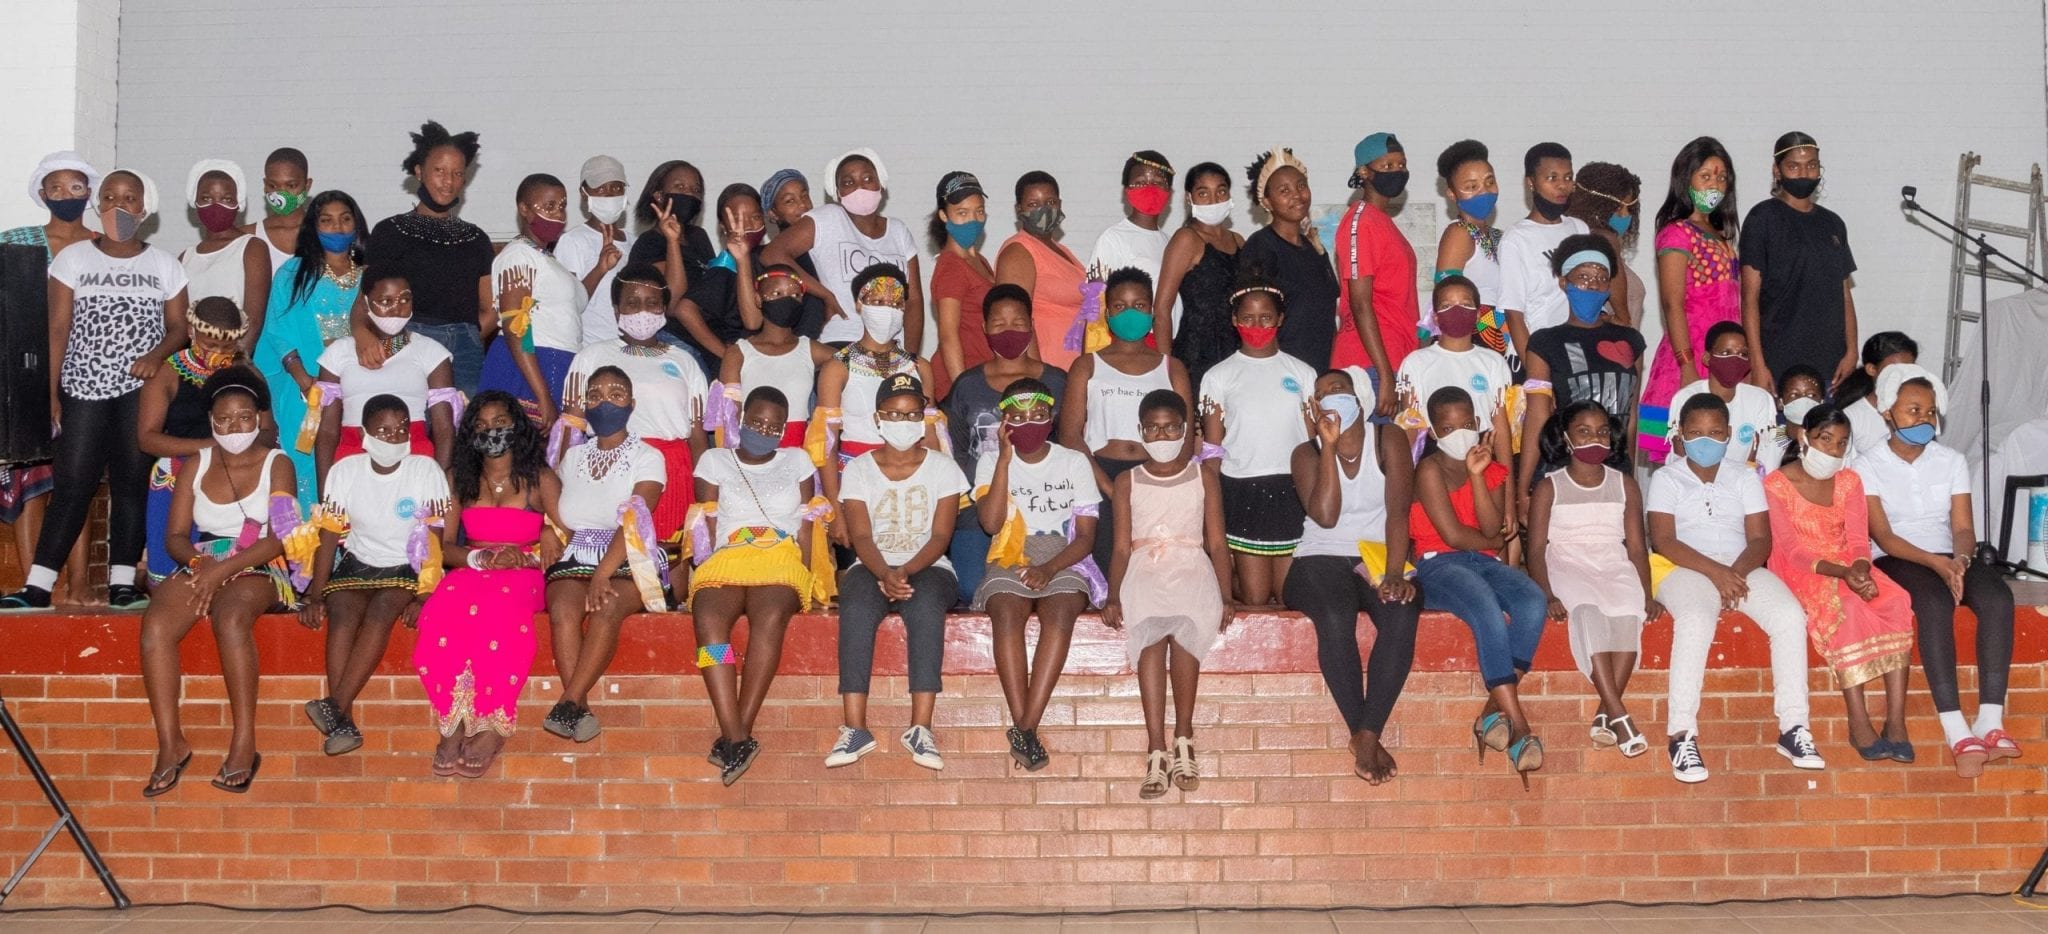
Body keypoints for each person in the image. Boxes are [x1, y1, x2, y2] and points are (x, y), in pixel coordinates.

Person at [1, 169, 189, 612]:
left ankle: (123, 583)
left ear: (145, 209)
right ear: (98, 205)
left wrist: (155, 356)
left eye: (129, 198)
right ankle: (39, 585)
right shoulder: (74, 259)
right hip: (81, 387)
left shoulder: (164, 264)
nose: (118, 206)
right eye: (109, 197)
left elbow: (180, 327)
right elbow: (57, 327)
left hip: (138, 390)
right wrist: (50, 394)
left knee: (130, 483)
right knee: (73, 484)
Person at [139, 368, 297, 796]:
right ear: (210, 420)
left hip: (262, 561)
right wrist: (199, 564)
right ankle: (171, 744)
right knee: (155, 629)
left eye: (244, 417)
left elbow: (282, 534)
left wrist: (222, 571)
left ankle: (244, 742)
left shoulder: (277, 463)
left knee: (231, 617)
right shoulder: (196, 464)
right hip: (202, 560)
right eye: (224, 420)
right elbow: (174, 536)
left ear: (259, 417)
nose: (235, 427)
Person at [1650, 393, 1821, 784]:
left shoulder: (1745, 476)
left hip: (1741, 567)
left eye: (1714, 432)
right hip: (1686, 567)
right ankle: (1681, 734)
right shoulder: (1667, 477)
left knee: (1789, 617)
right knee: (1694, 619)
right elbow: (1664, 541)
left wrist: (1736, 574)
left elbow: (1760, 540)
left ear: (1729, 435)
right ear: (1680, 434)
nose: (1704, 440)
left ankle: (1794, 728)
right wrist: (1717, 574)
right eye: (1695, 433)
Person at [1861, 367, 2019, 775]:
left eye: (1930, 413)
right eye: (1913, 410)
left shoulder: (1950, 460)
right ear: (1886, 412)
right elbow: (1884, 535)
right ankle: (1955, 728)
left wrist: (1961, 562)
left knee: (1999, 598)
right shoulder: (1866, 465)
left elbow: (1964, 529)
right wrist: (1938, 564)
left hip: (1950, 554)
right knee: (1932, 604)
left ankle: (1990, 720)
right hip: (1897, 557)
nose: (1923, 420)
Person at [1283, 368, 1422, 785]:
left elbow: (1399, 513)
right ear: (1314, 408)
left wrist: (1395, 573)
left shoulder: (1389, 439)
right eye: (1322, 394)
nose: (1332, 397)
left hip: (1379, 556)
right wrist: (1327, 447)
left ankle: (1367, 733)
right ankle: (1361, 734)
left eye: (1339, 389)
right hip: (1318, 557)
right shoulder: (1305, 453)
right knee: (1337, 615)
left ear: (1359, 397)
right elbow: (1324, 516)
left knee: (1402, 611)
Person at [413, 391, 559, 779]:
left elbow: (568, 538)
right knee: (440, 611)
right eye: (481, 426)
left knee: (499, 609)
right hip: (473, 568)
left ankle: (493, 723)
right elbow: (441, 545)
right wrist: (479, 559)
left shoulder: (540, 479)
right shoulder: (457, 479)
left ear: (518, 427)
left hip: (525, 575)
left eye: (500, 424)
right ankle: (454, 721)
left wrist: (541, 535)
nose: (491, 432)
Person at [1409, 386, 1548, 784]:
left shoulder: (1488, 468)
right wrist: (1492, 542)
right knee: (1486, 607)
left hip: (1482, 561)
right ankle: (1520, 725)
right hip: (1438, 565)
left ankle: (1491, 712)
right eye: (1448, 427)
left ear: (1476, 422)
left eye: (1466, 423)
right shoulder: (1429, 469)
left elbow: (1491, 529)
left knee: (1531, 601)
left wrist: (1476, 475)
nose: (1460, 432)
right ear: (1434, 431)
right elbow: (1453, 537)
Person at [829, 373, 968, 772]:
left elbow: (941, 535)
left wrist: (904, 570)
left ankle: (921, 727)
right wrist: (885, 572)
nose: (903, 422)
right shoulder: (857, 469)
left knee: (925, 607)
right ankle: (855, 727)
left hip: (928, 565)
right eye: (893, 414)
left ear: (923, 417)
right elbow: (860, 534)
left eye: (911, 414)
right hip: (871, 563)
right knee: (854, 606)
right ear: (878, 419)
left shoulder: (943, 468)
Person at [690, 387, 828, 785]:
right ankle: (736, 734)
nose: (763, 430)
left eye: (773, 425)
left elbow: (807, 523)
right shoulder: (714, 460)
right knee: (708, 623)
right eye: (755, 422)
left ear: (784, 429)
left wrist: (810, 573)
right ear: (740, 419)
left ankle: (737, 732)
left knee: (769, 618)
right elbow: (708, 523)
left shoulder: (798, 460)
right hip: (729, 554)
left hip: (780, 554)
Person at [299, 394, 449, 757]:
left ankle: (334, 708)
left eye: (400, 429)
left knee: (382, 612)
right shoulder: (345, 471)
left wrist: (425, 594)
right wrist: (315, 594)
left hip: (406, 565)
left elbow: (433, 537)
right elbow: (329, 537)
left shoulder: (425, 470)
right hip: (357, 563)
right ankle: (343, 721)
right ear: (364, 432)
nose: (393, 437)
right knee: (343, 615)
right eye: (383, 430)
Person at [1765, 403, 1915, 762]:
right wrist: (1846, 575)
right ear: (1804, 436)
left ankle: (1896, 722)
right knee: (1846, 605)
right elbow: (1791, 550)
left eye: (1841, 443)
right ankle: (1858, 720)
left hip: (1849, 564)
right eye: (1825, 439)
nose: (1832, 450)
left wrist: (1861, 569)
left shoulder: (1850, 481)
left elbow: (1859, 538)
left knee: (1895, 598)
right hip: (1804, 569)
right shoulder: (1777, 483)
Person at [1104, 389, 1230, 798]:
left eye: (1171, 427)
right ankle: (1155, 747)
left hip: (1191, 569)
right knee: (1151, 644)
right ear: (1141, 432)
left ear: (1187, 430)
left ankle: (1185, 737)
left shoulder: (1202, 476)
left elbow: (1217, 543)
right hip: (1144, 572)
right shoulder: (1128, 480)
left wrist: (1227, 596)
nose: (1163, 435)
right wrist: (1112, 594)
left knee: (1186, 636)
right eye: (1154, 429)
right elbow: (1122, 545)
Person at [971, 377, 1100, 771]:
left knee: (1059, 616)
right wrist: (1005, 463)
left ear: (1053, 417)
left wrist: (1047, 569)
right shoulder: (991, 461)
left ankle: (1025, 727)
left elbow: (1086, 537)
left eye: (1039, 415)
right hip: (1010, 553)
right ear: (1004, 423)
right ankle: (1024, 728)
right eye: (1018, 417)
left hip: (1063, 555)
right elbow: (991, 524)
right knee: (1006, 615)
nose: (1029, 424)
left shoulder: (1073, 461)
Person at [542, 366, 668, 744]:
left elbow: (633, 519)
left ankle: (567, 702)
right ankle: (576, 708)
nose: (604, 401)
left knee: (607, 605)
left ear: (631, 404)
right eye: (595, 394)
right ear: (584, 404)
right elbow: (555, 507)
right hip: (577, 551)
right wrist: (546, 528)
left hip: (628, 554)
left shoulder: (649, 456)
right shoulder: (572, 458)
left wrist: (602, 574)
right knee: (563, 609)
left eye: (616, 393)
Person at [1524, 401, 1656, 757]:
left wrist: (1647, 594)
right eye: (1584, 431)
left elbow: (1637, 547)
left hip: (1612, 560)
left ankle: (1604, 713)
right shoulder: (1549, 487)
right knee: (1587, 611)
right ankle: (1620, 715)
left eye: (1601, 431)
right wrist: (1547, 594)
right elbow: (1535, 549)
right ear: (1566, 437)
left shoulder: (1624, 483)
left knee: (1629, 610)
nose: (1594, 438)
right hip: (1567, 561)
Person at [0, 151, 100, 607]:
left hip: (87, 377)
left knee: (73, 483)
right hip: (26, 378)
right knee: (30, 482)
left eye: (75, 188)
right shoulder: (16, 241)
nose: (65, 196)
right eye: (55, 189)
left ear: (89, 193)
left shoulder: (104, 245)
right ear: (42, 194)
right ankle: (33, 584)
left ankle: (78, 585)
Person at [564, 263, 709, 545]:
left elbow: (699, 437)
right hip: (608, 470)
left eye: (652, 303)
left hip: (672, 469)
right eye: (632, 303)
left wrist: (705, 500)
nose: (642, 311)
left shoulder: (685, 361)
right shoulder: (591, 356)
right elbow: (571, 427)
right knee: (612, 559)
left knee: (665, 566)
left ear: (664, 308)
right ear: (617, 309)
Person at [1060, 268, 1193, 576]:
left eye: (1139, 305)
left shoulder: (1172, 368)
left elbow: (1185, 437)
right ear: (1107, 315)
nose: (1130, 313)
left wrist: (1163, 483)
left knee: (1157, 572)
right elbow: (1069, 435)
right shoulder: (1086, 365)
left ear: (1152, 312)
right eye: (1120, 306)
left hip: (1158, 478)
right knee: (1111, 573)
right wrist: (1110, 488)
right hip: (1101, 478)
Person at [941, 284, 1068, 599]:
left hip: (1042, 507)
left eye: (1019, 323)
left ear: (1032, 325)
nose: (1009, 330)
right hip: (977, 513)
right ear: (984, 328)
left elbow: (1069, 447)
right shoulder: (967, 386)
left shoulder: (1056, 382)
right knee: (970, 589)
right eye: (998, 324)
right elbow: (954, 454)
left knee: (1046, 588)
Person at [1198, 275, 1316, 605]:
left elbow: (1313, 440)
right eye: (1247, 318)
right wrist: (1211, 508)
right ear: (1235, 321)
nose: (1257, 324)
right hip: (1241, 490)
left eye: (1265, 317)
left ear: (1280, 319)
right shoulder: (1218, 377)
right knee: (1255, 597)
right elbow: (1212, 449)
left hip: (1294, 490)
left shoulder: (1303, 374)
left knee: (1291, 596)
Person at [255, 190, 368, 511]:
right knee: (304, 467)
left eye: (345, 219)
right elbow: (277, 330)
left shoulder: (370, 277)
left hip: (359, 394)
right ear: (313, 227)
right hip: (306, 393)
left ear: (356, 225)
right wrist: (305, 380)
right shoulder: (293, 273)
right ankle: (307, 555)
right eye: (327, 220)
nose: (337, 228)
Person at [360, 121, 492, 395]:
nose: (448, 181)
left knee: (462, 428)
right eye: (439, 171)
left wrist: (464, 340)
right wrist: (367, 339)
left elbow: (489, 310)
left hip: (465, 352)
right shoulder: (389, 231)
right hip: (407, 341)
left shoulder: (477, 238)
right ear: (419, 171)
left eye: (457, 173)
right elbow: (364, 300)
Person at [1517, 236, 1645, 505]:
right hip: (1562, 473)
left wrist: (1629, 475)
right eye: (1583, 276)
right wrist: (1524, 486)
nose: (1592, 284)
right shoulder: (1545, 342)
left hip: (1614, 471)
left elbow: (1631, 415)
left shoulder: (1630, 340)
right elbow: (1537, 415)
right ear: (1564, 282)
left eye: (1601, 278)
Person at [814, 263, 937, 537]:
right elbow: (826, 443)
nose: (887, 309)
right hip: (855, 480)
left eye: (895, 303)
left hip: (910, 480)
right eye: (878, 301)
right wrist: (834, 509)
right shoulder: (838, 367)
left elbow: (930, 437)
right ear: (859, 304)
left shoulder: (919, 368)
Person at [1639, 137, 1741, 463]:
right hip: (1692, 355)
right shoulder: (1677, 233)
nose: (1715, 184)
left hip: (1725, 356)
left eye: (1722, 177)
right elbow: (1672, 303)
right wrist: (1687, 366)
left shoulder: (1722, 235)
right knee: (1682, 458)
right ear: (1687, 179)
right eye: (1706, 176)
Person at [760, 150, 923, 350]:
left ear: (880, 183)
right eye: (848, 182)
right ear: (837, 193)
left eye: (867, 178)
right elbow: (772, 254)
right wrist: (825, 294)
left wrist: (910, 358)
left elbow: (913, 300)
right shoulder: (827, 218)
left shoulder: (898, 230)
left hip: (893, 347)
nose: (860, 186)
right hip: (843, 340)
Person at [139, 298, 249, 585]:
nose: (217, 354)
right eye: (209, 345)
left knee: (224, 568)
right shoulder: (167, 373)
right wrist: (208, 447)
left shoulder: (244, 373)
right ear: (191, 331)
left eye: (226, 347)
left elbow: (266, 429)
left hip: (231, 477)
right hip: (176, 475)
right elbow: (147, 439)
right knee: (167, 574)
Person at [1741, 132, 1859, 390]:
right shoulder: (1762, 219)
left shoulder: (1834, 223)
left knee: (1824, 430)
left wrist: (1852, 352)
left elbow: (1845, 295)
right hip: (1779, 358)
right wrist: (1758, 364)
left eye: (1812, 165)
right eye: (1794, 166)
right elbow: (1749, 298)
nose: (1804, 173)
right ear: (1777, 170)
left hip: (1830, 361)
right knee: (1782, 431)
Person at [315, 270, 458, 478]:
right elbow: (327, 431)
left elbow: (444, 430)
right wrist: (326, 493)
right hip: (354, 458)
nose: (397, 309)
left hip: (413, 457)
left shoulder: (432, 352)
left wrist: (440, 482)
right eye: (385, 301)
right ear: (365, 303)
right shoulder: (338, 353)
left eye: (405, 300)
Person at [479, 173, 586, 427]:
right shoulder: (518, 255)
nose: (558, 214)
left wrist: (602, 268)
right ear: (524, 209)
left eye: (562, 206)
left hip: (558, 361)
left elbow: (577, 302)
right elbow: (517, 327)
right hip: (529, 364)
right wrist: (541, 394)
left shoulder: (547, 258)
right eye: (549, 206)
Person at [1395, 276, 1513, 473]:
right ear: (1435, 317)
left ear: (1477, 315)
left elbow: (1500, 425)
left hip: (1482, 453)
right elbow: (1410, 425)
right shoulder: (1415, 362)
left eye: (1465, 304)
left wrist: (1508, 488)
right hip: (1435, 458)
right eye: (1447, 305)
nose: (1457, 310)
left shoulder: (1493, 361)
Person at [1240, 149, 1340, 373]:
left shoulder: (1313, 248)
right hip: (1281, 373)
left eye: (1301, 186)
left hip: (1320, 371)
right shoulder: (1261, 247)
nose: (1297, 195)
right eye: (1284, 190)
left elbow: (1326, 315)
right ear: (1267, 201)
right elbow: (1254, 319)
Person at [1334, 132, 1420, 381]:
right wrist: (1384, 374)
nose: (1397, 171)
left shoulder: (1382, 221)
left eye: (1401, 164)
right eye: (1388, 165)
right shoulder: (1361, 221)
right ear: (1364, 172)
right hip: (1370, 363)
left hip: (1397, 355)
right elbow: (1360, 303)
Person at [717, 265, 831, 449]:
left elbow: (856, 360)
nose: (787, 300)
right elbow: (729, 416)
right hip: (750, 446)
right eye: (777, 293)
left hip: (796, 451)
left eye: (795, 295)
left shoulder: (810, 349)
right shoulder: (739, 353)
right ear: (758, 299)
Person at [1497, 143, 1588, 371]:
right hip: (1536, 351)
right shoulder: (1516, 239)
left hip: (1576, 350)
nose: (1562, 185)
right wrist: (1536, 373)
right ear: (1531, 182)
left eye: (1568, 178)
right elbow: (1513, 313)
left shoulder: (1579, 229)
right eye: (1552, 178)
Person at [1154, 161, 1242, 391]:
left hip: (1238, 353)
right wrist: (1166, 370)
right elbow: (1162, 309)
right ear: (1188, 198)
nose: (1214, 200)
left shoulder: (1239, 241)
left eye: (1221, 191)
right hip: (1197, 354)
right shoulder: (1186, 239)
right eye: (1204, 193)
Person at [666, 183, 769, 380]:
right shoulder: (727, 266)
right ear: (723, 226)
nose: (746, 226)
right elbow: (684, 309)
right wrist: (727, 354)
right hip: (741, 369)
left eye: (755, 217)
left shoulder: (768, 258)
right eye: (737, 219)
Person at [997, 171, 1089, 368]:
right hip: (1046, 369)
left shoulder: (1061, 250)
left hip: (1073, 367)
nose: (1044, 210)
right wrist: (1038, 374)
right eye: (1033, 204)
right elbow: (1015, 320)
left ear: (1060, 204)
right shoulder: (1018, 252)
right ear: (1018, 209)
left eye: (1050, 202)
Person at [179, 159, 270, 348]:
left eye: (226, 199)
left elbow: (253, 320)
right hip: (194, 363)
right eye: (206, 198)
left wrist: (229, 365)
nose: (216, 205)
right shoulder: (185, 258)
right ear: (195, 203)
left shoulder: (252, 248)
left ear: (238, 203)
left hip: (231, 362)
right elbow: (179, 325)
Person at [1663, 322, 1777, 469]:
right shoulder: (1686, 397)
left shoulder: (1759, 399)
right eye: (1725, 353)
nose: (1735, 360)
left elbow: (1767, 457)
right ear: (1707, 358)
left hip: (1744, 483)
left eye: (1743, 354)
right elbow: (1678, 455)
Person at [1432, 139, 1508, 354]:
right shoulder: (1459, 233)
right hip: (1467, 338)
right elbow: (1445, 297)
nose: (1484, 192)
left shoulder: (1498, 236)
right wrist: (1497, 321)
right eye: (1471, 187)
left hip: (1499, 339)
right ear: (1452, 194)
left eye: (1489, 182)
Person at [1090, 152, 1177, 329]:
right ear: (1126, 191)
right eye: (1140, 182)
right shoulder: (1112, 239)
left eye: (1158, 183)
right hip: (1131, 345)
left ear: (1169, 193)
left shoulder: (1171, 243)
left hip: (1170, 343)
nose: (1149, 188)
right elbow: (1095, 305)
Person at [928, 171, 996, 387]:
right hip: (960, 378)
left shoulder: (980, 260)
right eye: (962, 213)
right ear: (944, 216)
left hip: (983, 372)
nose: (973, 220)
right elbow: (948, 337)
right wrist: (962, 392)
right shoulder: (952, 268)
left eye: (979, 212)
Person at [556, 155, 632, 349]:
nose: (610, 194)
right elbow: (568, 304)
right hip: (594, 348)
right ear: (584, 193)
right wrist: (600, 268)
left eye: (616, 187)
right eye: (601, 188)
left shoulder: (635, 242)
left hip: (632, 348)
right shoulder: (572, 241)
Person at [1564, 162, 1646, 327]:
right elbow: (1623, 320)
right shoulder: (1606, 242)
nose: (1624, 215)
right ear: (1596, 206)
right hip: (1611, 346)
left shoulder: (1580, 246)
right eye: (1618, 208)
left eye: (1629, 208)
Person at [757, 168, 829, 339]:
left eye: (804, 196)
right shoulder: (774, 258)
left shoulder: (825, 242)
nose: (803, 205)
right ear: (772, 214)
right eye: (790, 201)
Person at [1837, 333, 1920, 464]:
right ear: (1871, 369)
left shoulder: (1920, 413)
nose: (1903, 376)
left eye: (1909, 370)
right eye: (1895, 370)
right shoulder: (1852, 418)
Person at [623, 159, 715, 275]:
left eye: (696, 190)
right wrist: (673, 242)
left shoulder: (698, 236)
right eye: (680, 187)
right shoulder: (648, 244)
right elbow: (671, 291)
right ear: (659, 196)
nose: (690, 193)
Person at [252, 147, 312, 269]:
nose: (281, 194)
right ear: (265, 185)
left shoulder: (325, 232)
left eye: (291, 185)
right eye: (273, 185)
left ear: (307, 185)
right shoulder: (249, 236)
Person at [1767, 364, 1828, 469]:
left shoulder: (1831, 440)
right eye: (1794, 395)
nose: (1803, 401)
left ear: (1822, 403)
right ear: (1780, 403)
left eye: (1811, 395)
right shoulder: (1767, 442)